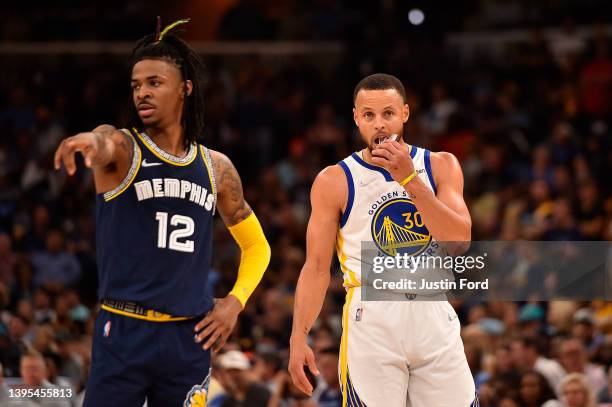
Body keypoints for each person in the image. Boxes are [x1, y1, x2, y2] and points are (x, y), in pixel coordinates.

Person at [53, 19, 270, 406]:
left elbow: (257, 248)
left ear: (185, 88)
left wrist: (234, 303)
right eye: (136, 85)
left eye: (155, 82)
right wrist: (90, 140)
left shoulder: (217, 167)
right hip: (124, 331)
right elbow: (104, 141)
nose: (142, 93)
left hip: (188, 338)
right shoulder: (124, 149)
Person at [289, 73, 477, 406]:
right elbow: (317, 268)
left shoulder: (441, 165)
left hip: (433, 312)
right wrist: (298, 335)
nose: (379, 124)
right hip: (372, 319)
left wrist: (409, 179)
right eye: (369, 115)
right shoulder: (335, 180)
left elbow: (459, 240)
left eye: (388, 114)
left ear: (405, 113)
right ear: (356, 117)